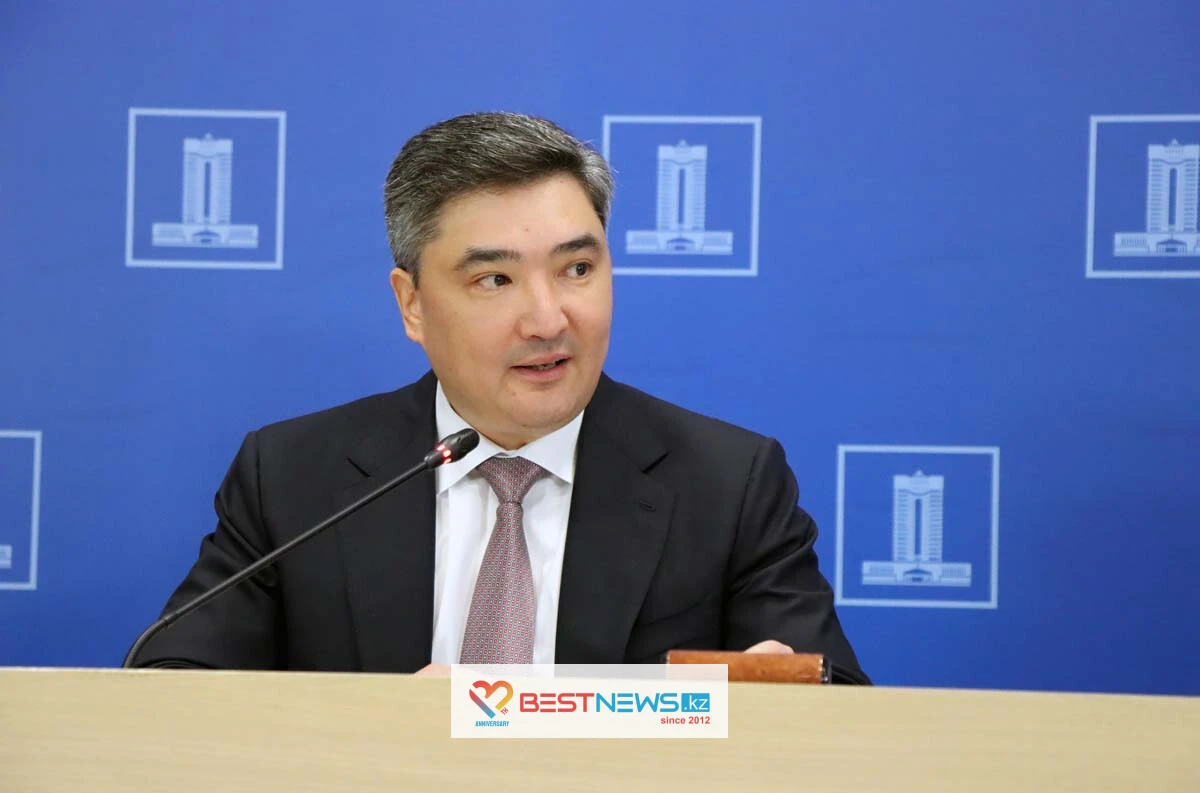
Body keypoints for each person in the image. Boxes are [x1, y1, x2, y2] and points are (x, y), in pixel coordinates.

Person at [130, 112, 866, 681]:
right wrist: (374, 732)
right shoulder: (295, 478)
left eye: (577, 269)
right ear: (412, 304)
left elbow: (840, 713)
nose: (548, 319)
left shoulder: (729, 484)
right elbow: (174, 689)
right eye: (495, 280)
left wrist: (781, 701)